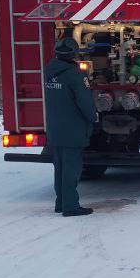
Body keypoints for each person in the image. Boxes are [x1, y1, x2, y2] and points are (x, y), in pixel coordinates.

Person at [44, 35, 97, 217]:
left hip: (55, 129)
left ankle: (61, 202)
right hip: (73, 129)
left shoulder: (49, 71)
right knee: (72, 169)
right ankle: (71, 206)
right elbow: (85, 102)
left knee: (59, 168)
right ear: (74, 53)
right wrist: (93, 117)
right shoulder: (75, 75)